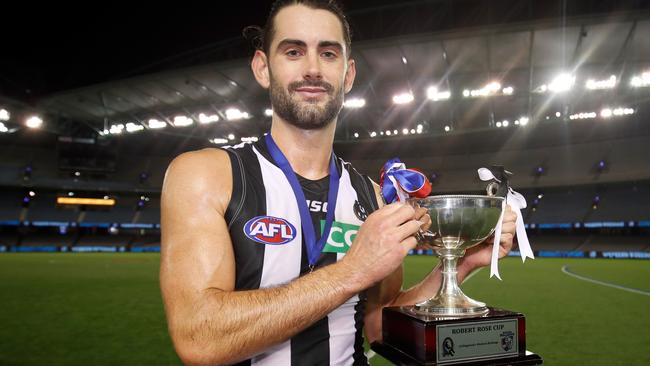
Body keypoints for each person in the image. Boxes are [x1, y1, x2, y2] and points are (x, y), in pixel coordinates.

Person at [159, 1, 518, 365]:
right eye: (294, 51)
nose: (313, 69)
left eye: (328, 53)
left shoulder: (372, 198)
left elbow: (380, 326)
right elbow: (198, 338)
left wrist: (460, 263)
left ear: (348, 75)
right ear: (263, 68)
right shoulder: (206, 174)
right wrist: (352, 272)